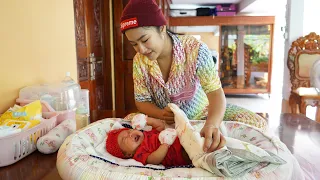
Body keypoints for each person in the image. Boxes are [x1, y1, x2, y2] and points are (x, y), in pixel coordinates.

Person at [120, 0, 227, 152]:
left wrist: (212, 124)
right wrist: (161, 114)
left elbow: (215, 92)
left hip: (200, 117)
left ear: (162, 28)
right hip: (163, 121)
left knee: (252, 124)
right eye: (134, 44)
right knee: (126, 128)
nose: (141, 49)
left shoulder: (195, 49)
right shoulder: (139, 61)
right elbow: (142, 102)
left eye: (144, 40)